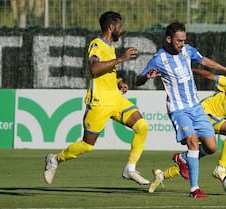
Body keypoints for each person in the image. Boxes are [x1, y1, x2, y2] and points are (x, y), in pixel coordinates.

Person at [43, 11, 150, 185]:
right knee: (87, 145)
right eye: (120, 26)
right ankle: (55, 159)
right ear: (112, 27)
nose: (121, 30)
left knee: (142, 126)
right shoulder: (96, 44)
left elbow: (106, 73)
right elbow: (94, 69)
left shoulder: (110, 48)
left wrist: (119, 81)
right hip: (99, 103)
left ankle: (130, 169)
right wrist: (121, 59)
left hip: (115, 99)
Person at [136, 21, 226, 198]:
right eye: (179, 41)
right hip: (178, 109)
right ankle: (194, 189)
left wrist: (225, 68)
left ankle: (183, 158)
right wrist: (146, 77)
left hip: (196, 107)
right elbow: (138, 80)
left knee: (212, 147)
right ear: (169, 39)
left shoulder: (187, 50)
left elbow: (203, 60)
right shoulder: (158, 59)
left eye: (184, 40)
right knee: (192, 140)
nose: (182, 44)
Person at [147, 68, 226, 193]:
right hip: (202, 114)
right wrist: (189, 69)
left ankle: (162, 175)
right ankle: (220, 169)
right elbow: (211, 76)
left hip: (214, 122)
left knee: (201, 153)